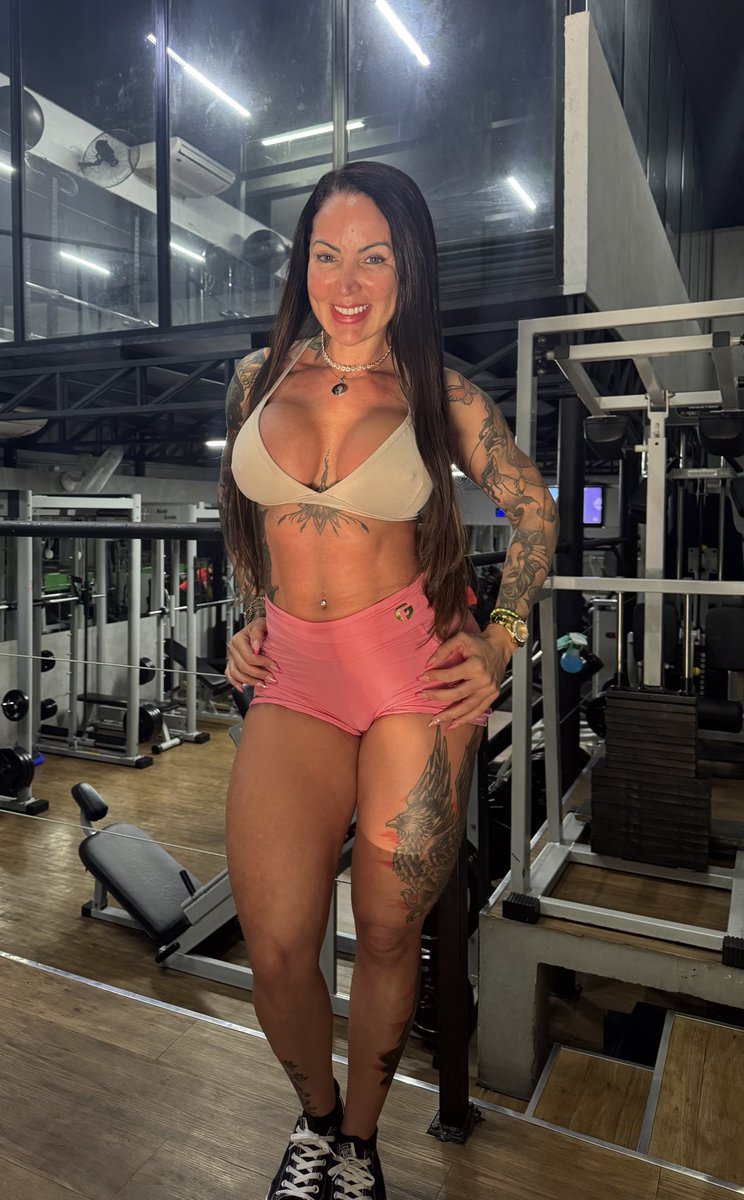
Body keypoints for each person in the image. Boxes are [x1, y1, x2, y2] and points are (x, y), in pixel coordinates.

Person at [218, 160, 558, 1200]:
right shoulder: (254, 378)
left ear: (409, 266)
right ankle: (316, 1119)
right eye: (327, 255)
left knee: (387, 928)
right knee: (278, 945)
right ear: (303, 265)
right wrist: (248, 609)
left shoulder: (439, 394)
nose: (348, 281)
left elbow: (535, 511)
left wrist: (499, 642)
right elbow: (242, 515)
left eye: (374, 257)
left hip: (412, 678)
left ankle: (359, 1145)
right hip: (294, 678)